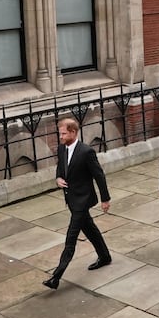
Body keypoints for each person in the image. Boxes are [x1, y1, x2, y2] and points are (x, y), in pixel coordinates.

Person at [43, 118, 112, 290]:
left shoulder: (86, 152)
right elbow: (61, 168)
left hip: (83, 200)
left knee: (71, 238)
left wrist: (105, 199)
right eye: (60, 133)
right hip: (71, 199)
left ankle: (56, 277)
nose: (61, 136)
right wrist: (58, 178)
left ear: (73, 132)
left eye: (64, 133)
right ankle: (105, 257)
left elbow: (99, 175)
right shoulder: (61, 148)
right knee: (90, 229)